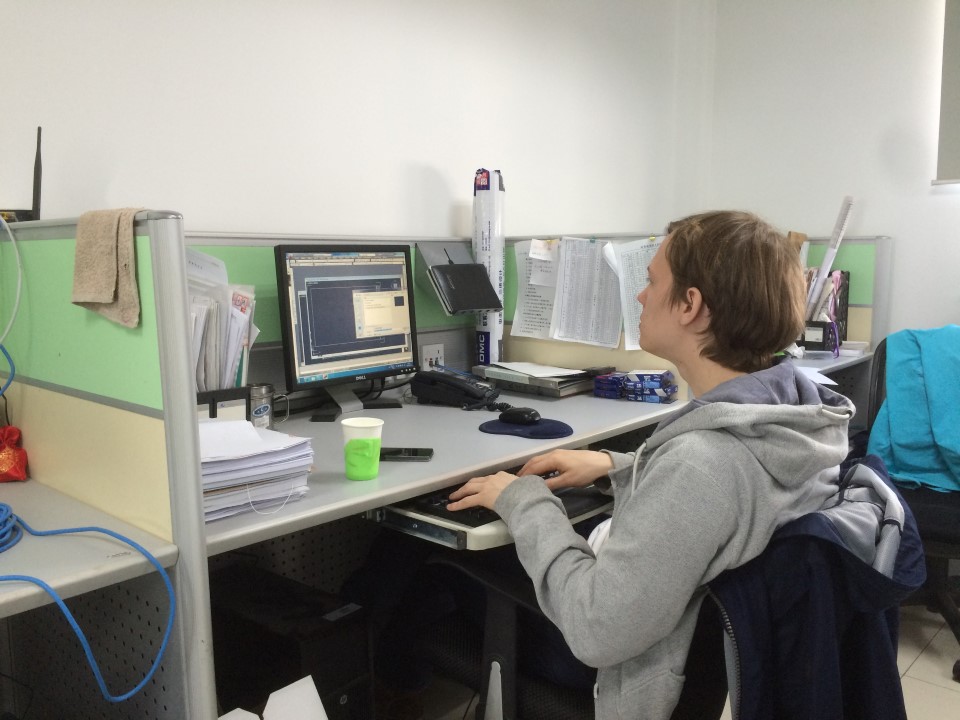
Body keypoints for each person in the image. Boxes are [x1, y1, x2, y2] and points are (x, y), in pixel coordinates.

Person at [446, 210, 855, 720]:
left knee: (423, 564)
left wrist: (522, 499)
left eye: (652, 281)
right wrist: (615, 465)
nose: (640, 296)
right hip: (684, 647)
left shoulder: (701, 466)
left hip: (626, 669)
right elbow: (723, 493)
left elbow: (596, 631)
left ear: (691, 305)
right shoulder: (796, 417)